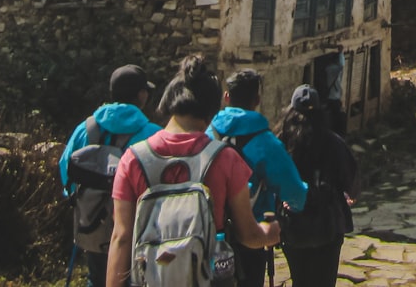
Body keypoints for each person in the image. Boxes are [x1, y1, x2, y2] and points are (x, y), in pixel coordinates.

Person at [106, 55, 280, 287]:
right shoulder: (225, 158)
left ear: (170, 101)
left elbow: (121, 238)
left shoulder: (134, 159)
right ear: (211, 111)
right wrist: (270, 233)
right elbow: (247, 235)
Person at [59, 64, 161, 287]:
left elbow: (65, 169)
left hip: (92, 223)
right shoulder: (153, 134)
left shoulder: (85, 128)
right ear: (141, 95)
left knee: (96, 277)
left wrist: (78, 200)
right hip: (137, 227)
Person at [208, 69, 308, 287]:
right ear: (257, 100)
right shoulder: (266, 143)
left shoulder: (206, 134)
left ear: (226, 97)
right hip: (251, 236)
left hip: (206, 236)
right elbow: (296, 193)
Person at [277, 84, 360, 287]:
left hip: (293, 226)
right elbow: (351, 179)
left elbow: (271, 181)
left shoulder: (281, 144)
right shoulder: (334, 143)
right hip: (328, 225)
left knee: (300, 280)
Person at [323, 47, 346, 136]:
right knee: (337, 119)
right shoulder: (336, 69)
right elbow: (342, 65)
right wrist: (341, 53)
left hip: (329, 97)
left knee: (330, 118)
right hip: (334, 98)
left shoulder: (328, 68)